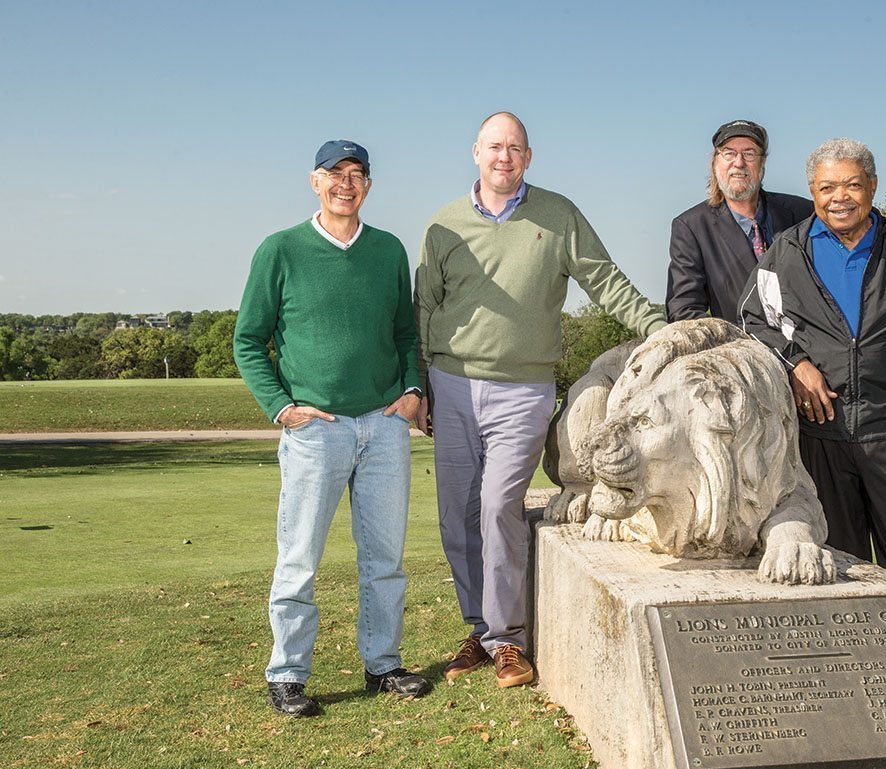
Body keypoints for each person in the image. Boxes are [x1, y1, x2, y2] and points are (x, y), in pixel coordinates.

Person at [415, 112, 666, 688]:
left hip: (524, 389)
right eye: (494, 147)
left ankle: (507, 640)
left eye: (516, 149)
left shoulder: (558, 216)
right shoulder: (443, 225)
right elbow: (423, 307)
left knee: (500, 505)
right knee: (458, 516)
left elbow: (606, 281)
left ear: (529, 157)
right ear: (475, 152)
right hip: (451, 385)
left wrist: (660, 328)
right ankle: (480, 629)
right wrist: (419, 382)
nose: (504, 157)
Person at [234, 140, 429, 717]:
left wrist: (413, 389)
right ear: (314, 182)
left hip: (384, 426)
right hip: (315, 430)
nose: (347, 183)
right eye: (335, 174)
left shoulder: (388, 250)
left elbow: (404, 334)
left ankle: (384, 665)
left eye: (358, 174)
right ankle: (288, 674)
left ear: (368, 185)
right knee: (300, 559)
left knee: (385, 559)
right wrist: (281, 406)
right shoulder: (281, 250)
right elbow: (248, 340)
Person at [739, 138, 886, 608]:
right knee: (837, 563)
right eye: (826, 187)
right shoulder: (786, 251)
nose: (839, 197)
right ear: (812, 191)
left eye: (852, 185)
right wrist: (795, 364)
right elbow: (752, 322)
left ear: (873, 187)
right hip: (819, 436)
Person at [666, 120, 812, 322]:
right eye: (729, 153)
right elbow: (684, 309)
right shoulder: (691, 228)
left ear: (762, 164)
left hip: (809, 347)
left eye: (750, 153)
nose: (739, 162)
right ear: (715, 163)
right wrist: (733, 349)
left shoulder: (804, 213)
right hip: (741, 347)